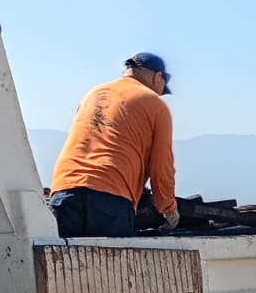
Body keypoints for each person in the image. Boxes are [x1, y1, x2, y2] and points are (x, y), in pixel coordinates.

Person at [49, 55, 179, 239]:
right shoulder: (155, 104)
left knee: (65, 266)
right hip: (110, 197)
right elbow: (161, 166)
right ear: (158, 77)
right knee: (107, 266)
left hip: (64, 191)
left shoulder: (93, 94)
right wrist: (168, 208)